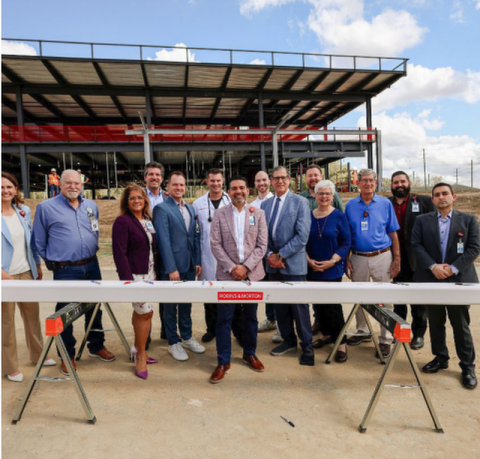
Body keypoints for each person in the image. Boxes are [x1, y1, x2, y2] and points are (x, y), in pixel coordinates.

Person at [33, 169, 115, 376]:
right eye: (68, 183)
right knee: (65, 313)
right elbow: (39, 240)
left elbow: (94, 230)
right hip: (66, 269)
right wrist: (51, 261)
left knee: (95, 309)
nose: (73, 186)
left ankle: (96, 345)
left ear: (82, 185)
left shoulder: (91, 206)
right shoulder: (46, 207)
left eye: (77, 183)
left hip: (92, 265)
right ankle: (66, 355)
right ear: (59, 184)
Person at [412, 183, 479, 390]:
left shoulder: (468, 220)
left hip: (458, 280)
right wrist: (433, 266)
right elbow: (416, 245)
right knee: (435, 321)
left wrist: (453, 268)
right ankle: (440, 357)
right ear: (432, 199)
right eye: (437, 195)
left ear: (453, 197)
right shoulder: (422, 220)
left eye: (445, 194)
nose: (441, 197)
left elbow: (474, 248)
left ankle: (467, 366)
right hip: (431, 278)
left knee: (460, 324)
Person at [209, 176, 268, 383]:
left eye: (242, 188)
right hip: (227, 275)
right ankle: (223, 361)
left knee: (251, 317)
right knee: (224, 318)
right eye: (234, 188)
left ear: (248, 190)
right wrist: (232, 268)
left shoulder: (258, 214)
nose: (238, 191)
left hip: (252, 275)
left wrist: (246, 267)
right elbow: (215, 244)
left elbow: (262, 245)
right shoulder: (220, 214)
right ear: (229, 192)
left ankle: (249, 353)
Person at [2, 172, 56, 382]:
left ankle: (37, 354)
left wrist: (36, 264)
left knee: (32, 317)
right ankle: (10, 366)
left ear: (16, 189)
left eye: (9, 187)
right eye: (1, 187)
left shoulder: (23, 211)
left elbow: (30, 241)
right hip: (4, 275)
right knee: (6, 322)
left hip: (26, 271)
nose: (5, 191)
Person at [344, 168, 400, 358]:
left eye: (371, 180)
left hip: (382, 256)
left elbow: (393, 232)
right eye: (364, 180)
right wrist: (346, 259)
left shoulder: (385, 204)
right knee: (360, 297)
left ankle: (385, 339)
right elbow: (347, 235)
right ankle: (363, 331)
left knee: (385, 299)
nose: (368, 184)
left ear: (375, 182)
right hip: (358, 257)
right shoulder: (351, 205)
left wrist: (397, 259)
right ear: (358, 183)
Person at [261, 166, 314, 366]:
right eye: (276, 178)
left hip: (293, 264)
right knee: (280, 306)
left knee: (299, 307)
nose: (280, 181)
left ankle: (307, 346)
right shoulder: (266, 204)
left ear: (289, 179)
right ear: (271, 181)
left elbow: (302, 236)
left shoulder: (300, 202)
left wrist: (280, 255)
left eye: (283, 178)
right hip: (273, 265)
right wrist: (270, 255)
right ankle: (288, 341)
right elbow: (261, 235)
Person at [153, 171, 205, 361]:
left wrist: (196, 260)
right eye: (175, 184)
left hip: (189, 264)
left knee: (186, 303)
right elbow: (164, 241)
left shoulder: (190, 208)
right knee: (170, 306)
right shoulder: (161, 209)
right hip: (173, 267)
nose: (179, 188)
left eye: (182, 185)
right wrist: (171, 268)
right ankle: (173, 342)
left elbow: (195, 236)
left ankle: (187, 336)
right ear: (167, 187)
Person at [112, 184, 159, 380]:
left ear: (145, 200)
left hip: (150, 273)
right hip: (136, 276)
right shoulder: (122, 221)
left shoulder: (147, 220)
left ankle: (138, 348)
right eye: (132, 198)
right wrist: (127, 281)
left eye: (140, 197)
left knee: (144, 312)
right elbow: (119, 253)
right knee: (145, 312)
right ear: (126, 202)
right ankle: (140, 354)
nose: (136, 201)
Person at [306, 180, 351, 363]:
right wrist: (308, 260)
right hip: (312, 269)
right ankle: (325, 335)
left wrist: (332, 261)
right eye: (321, 193)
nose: (324, 197)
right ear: (315, 195)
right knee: (318, 306)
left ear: (332, 196)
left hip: (332, 269)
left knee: (333, 308)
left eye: (327, 194)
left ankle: (341, 343)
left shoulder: (339, 216)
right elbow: (303, 241)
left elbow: (346, 243)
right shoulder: (309, 216)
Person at [389, 171, 434, 350]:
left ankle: (418, 334)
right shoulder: (387, 203)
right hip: (394, 258)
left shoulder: (423, 201)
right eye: (395, 182)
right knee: (398, 300)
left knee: (418, 301)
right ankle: (400, 332)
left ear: (409, 183)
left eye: (402, 181)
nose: (399, 185)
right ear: (391, 185)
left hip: (417, 259)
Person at [300, 164, 343, 335]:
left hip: (331, 261)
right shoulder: (302, 199)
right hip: (311, 261)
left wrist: (335, 260)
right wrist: (307, 259)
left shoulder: (336, 206)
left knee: (332, 304)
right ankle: (322, 329)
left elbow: (343, 233)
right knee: (317, 302)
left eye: (316, 175)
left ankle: (338, 339)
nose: (313, 178)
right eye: (309, 175)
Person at [192, 168, 231, 343]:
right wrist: (197, 260)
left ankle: (230, 328)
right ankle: (211, 329)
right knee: (209, 295)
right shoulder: (197, 203)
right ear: (207, 181)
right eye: (212, 180)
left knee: (228, 294)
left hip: (227, 256)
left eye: (218, 180)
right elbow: (195, 234)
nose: (215, 184)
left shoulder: (231, 201)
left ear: (223, 181)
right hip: (206, 255)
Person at [250, 171, 277, 337]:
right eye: (258, 180)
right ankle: (270, 319)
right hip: (257, 255)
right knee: (263, 287)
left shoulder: (276, 201)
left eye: (264, 180)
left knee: (275, 288)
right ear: (254, 184)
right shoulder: (252, 205)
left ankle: (279, 322)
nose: (261, 183)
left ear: (270, 181)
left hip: (273, 253)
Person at [144, 161, 167, 343]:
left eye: (157, 174)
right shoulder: (137, 197)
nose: (154, 177)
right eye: (151, 174)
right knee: (145, 296)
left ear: (162, 178)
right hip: (144, 252)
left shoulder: (167, 197)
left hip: (164, 251)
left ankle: (167, 331)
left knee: (166, 293)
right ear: (145, 177)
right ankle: (146, 336)